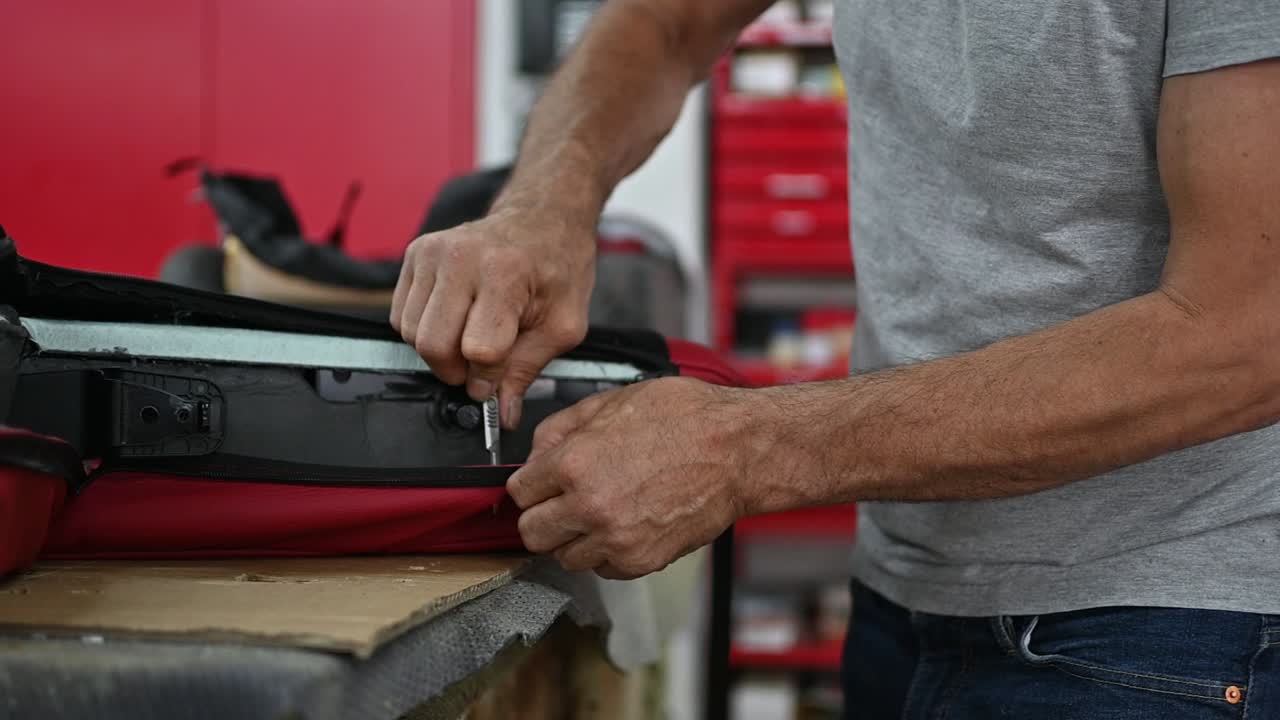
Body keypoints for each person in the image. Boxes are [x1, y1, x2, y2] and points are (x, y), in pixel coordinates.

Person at [390, 1, 1280, 717]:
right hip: (905, 585)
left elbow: (1247, 335)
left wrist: (749, 449)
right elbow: (664, 22)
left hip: (1167, 629)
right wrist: (546, 203)